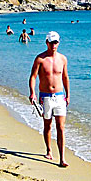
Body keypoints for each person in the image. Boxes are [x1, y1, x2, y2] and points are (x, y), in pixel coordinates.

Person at [29, 31, 70, 167]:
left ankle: (62, 158)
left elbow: (65, 77)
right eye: (51, 42)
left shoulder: (63, 59)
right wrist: (32, 93)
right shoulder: (40, 59)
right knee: (48, 125)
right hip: (45, 96)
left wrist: (68, 95)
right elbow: (33, 76)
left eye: (56, 42)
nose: (54, 45)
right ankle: (48, 150)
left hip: (59, 96)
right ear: (47, 42)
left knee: (61, 127)